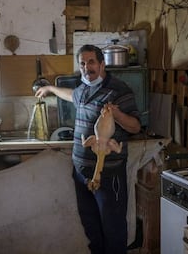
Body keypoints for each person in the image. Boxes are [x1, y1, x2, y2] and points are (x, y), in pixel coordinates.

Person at [35, 44, 141, 254]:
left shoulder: (119, 90)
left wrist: (117, 114)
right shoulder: (83, 88)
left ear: (102, 64)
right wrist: (50, 89)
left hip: (108, 175)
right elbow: (71, 95)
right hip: (82, 174)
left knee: (113, 229)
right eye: (82, 63)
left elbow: (135, 127)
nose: (86, 67)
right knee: (92, 228)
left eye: (91, 62)